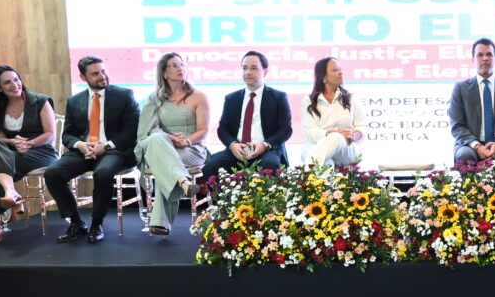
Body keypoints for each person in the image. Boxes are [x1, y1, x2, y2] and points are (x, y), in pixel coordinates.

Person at [44, 55, 140, 244]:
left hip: (114, 150)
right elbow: (67, 135)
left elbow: (132, 130)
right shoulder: (75, 101)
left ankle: (97, 224)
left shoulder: (124, 95)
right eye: (95, 74)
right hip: (84, 151)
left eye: (103, 71)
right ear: (83, 77)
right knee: (52, 173)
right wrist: (80, 145)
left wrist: (106, 146)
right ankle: (76, 223)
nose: (102, 76)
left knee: (103, 173)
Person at [0, 65, 59, 248]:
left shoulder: (40, 101)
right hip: (15, 154)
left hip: (42, 152)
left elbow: (50, 134)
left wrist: (29, 143)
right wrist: (15, 142)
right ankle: (10, 191)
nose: (14, 85)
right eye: (7, 82)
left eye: (16, 79)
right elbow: (0, 138)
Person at [135, 53, 210, 236]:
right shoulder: (154, 99)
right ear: (164, 73)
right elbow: (147, 131)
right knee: (157, 141)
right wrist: (171, 139)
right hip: (162, 145)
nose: (180, 68)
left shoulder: (198, 96)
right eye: (174, 65)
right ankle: (183, 182)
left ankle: (160, 222)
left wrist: (186, 140)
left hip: (192, 148)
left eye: (182, 64)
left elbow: (203, 130)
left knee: (163, 162)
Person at [202, 50, 291, 180]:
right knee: (211, 167)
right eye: (244, 68)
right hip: (238, 150)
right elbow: (223, 129)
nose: (248, 72)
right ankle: (226, 194)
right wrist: (232, 145)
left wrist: (265, 145)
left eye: (253, 68)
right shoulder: (232, 98)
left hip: (267, 149)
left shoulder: (278, 97)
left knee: (270, 165)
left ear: (265, 71)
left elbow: (286, 129)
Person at [302, 57, 366, 166]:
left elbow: (361, 126)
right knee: (326, 163)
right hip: (316, 144)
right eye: (335, 70)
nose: (340, 72)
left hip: (346, 147)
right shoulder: (308, 101)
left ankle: (306, 172)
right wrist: (329, 133)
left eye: (340, 69)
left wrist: (353, 135)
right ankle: (318, 175)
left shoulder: (351, 97)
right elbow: (310, 131)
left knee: (336, 137)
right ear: (323, 76)